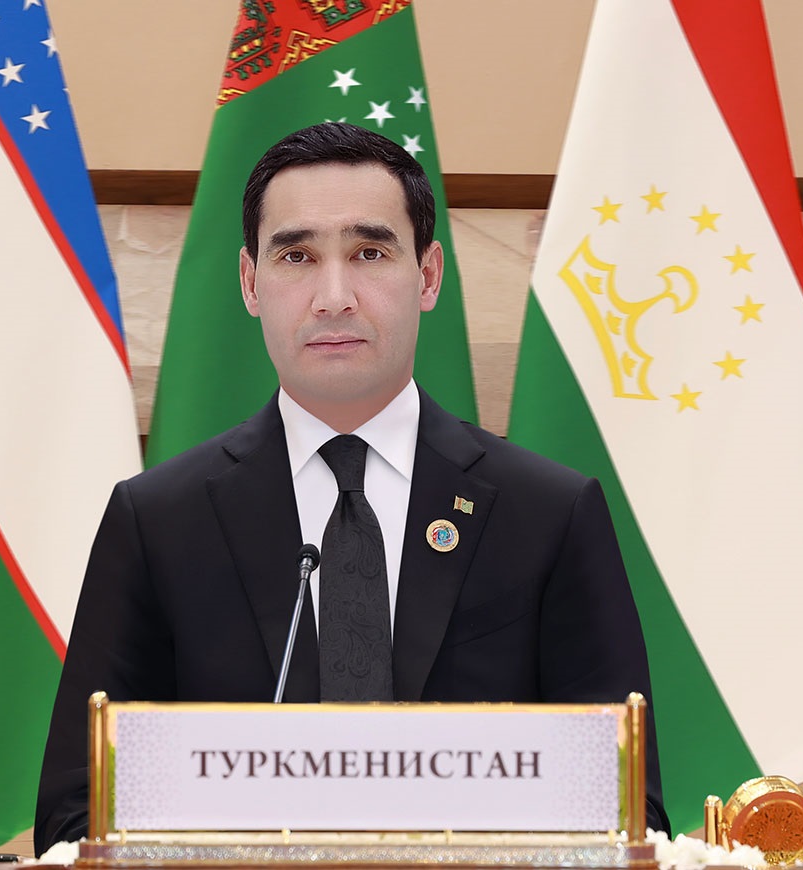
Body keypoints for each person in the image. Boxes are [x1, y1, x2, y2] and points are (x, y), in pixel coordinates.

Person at [34, 122, 668, 853]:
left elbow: (628, 814)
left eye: (370, 253)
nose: (334, 297)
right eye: (296, 256)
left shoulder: (548, 514)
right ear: (250, 282)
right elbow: (76, 819)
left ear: (427, 276)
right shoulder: (159, 521)